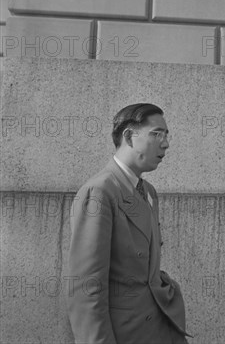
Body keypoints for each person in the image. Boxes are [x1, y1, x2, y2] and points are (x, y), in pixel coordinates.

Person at [67, 103, 190, 344]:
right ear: (128, 137)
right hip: (125, 334)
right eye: (156, 134)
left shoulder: (148, 191)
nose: (165, 143)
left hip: (159, 327)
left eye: (166, 135)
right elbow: (86, 288)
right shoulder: (100, 192)